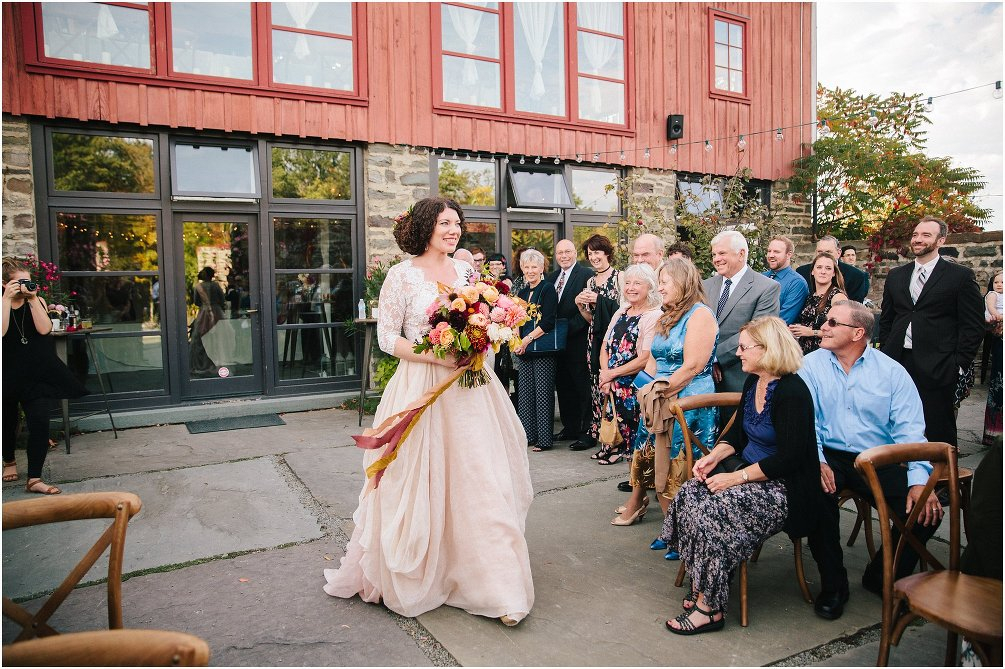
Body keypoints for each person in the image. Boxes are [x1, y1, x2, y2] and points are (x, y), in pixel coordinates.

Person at [323, 197, 534, 626]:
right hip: (422, 385)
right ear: (425, 227)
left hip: (471, 390)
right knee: (420, 477)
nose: (453, 230)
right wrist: (437, 356)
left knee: (480, 477)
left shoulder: (468, 274)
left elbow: (486, 323)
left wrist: (484, 341)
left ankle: (497, 587)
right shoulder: (400, 276)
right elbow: (387, 338)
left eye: (457, 223)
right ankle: (423, 573)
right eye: (444, 223)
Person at [661, 317, 825, 635]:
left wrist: (734, 479)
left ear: (767, 349)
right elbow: (737, 434)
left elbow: (789, 459)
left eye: (744, 347)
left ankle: (709, 609)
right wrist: (714, 458)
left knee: (714, 511)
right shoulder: (753, 382)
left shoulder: (792, 392)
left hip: (783, 487)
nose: (737, 353)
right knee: (691, 493)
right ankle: (703, 581)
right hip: (747, 472)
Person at [799, 300, 943, 620]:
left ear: (858, 333)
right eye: (826, 320)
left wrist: (920, 481)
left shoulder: (891, 372)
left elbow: (911, 432)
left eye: (833, 323)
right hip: (829, 455)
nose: (823, 327)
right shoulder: (809, 365)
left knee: (926, 512)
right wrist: (818, 461)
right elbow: (808, 424)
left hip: (878, 459)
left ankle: (881, 576)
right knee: (816, 497)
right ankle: (834, 585)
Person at [627, 258, 719, 551]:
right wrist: (645, 391)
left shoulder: (700, 315)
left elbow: (692, 366)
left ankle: (688, 534)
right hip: (658, 399)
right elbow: (654, 361)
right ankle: (672, 529)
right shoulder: (666, 315)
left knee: (681, 467)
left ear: (682, 282)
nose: (660, 288)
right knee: (657, 464)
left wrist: (660, 392)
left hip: (688, 400)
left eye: (664, 282)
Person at [878, 216, 985, 448]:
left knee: (938, 429)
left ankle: (942, 470)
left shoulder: (960, 276)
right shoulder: (896, 275)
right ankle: (898, 468)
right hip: (898, 361)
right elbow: (887, 319)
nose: (918, 239)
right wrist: (886, 352)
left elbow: (973, 325)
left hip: (939, 364)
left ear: (941, 240)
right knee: (893, 422)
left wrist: (958, 364)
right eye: (915, 234)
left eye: (926, 235)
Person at [2, 257, 89, 494]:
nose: (25, 286)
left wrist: (33, 300)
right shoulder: (2, 302)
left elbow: (44, 329)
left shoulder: (36, 300)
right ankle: (9, 461)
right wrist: (6, 300)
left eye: (28, 282)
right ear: (5, 284)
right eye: (20, 283)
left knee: (40, 423)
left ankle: (34, 478)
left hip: (35, 373)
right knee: (7, 423)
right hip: (6, 374)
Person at [592, 264, 661, 468]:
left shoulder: (654, 315)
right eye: (628, 283)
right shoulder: (622, 311)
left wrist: (611, 374)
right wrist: (606, 375)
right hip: (612, 383)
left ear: (650, 287)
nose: (631, 287)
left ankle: (634, 478)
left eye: (637, 283)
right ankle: (618, 456)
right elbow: (604, 346)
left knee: (635, 433)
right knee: (617, 427)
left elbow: (645, 357)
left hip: (634, 385)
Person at [702, 230, 780, 393]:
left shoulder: (766, 288)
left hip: (740, 376)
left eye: (722, 253)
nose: (716, 259)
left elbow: (756, 332)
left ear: (741, 254)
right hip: (702, 377)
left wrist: (715, 357)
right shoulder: (705, 285)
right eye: (714, 254)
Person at [575, 233, 621, 453]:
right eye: (590, 253)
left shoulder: (619, 277)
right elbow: (592, 319)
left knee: (612, 388)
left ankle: (617, 440)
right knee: (595, 388)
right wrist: (580, 306)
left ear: (607, 253)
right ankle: (601, 437)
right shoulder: (590, 282)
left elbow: (624, 310)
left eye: (597, 252)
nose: (593, 257)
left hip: (615, 340)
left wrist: (599, 300)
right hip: (595, 339)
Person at [547, 239, 594, 448]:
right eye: (560, 253)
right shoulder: (552, 278)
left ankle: (586, 432)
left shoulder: (586, 276)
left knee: (581, 388)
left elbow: (588, 310)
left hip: (578, 339)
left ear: (575, 253)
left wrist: (566, 330)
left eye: (567, 251)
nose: (564, 256)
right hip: (557, 344)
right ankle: (570, 427)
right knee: (564, 387)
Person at [513, 249, 559, 453]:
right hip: (524, 350)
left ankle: (544, 440)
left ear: (541, 268)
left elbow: (548, 321)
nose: (530, 270)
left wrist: (526, 340)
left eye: (534, 267)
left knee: (542, 394)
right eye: (527, 267)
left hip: (542, 350)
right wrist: (516, 341)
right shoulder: (521, 293)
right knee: (525, 395)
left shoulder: (548, 289)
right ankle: (528, 436)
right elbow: (515, 319)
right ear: (522, 268)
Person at [788, 252, 847, 354]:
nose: (823, 272)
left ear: (834, 273)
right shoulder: (810, 296)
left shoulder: (837, 297)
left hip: (825, 354)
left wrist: (812, 332)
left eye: (828, 268)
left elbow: (843, 330)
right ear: (812, 271)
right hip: (804, 355)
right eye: (819, 267)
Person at [796, 235, 869, 303]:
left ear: (839, 253)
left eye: (828, 252)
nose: (823, 256)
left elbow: (854, 308)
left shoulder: (855, 276)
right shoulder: (802, 272)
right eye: (820, 252)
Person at [763, 235, 809, 325]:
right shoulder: (762, 277)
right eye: (769, 251)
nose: (771, 255)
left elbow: (784, 320)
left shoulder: (797, 283)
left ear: (789, 254)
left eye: (776, 252)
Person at [189, 267, 225, 377]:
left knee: (200, 339)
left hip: (204, 312)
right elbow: (222, 299)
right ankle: (216, 364)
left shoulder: (198, 287)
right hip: (217, 312)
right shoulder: (216, 285)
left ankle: (201, 365)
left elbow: (196, 302)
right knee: (217, 338)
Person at [983, 270, 1003, 445]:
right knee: (999, 383)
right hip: (1000, 340)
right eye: (996, 282)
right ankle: (995, 433)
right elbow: (991, 311)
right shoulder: (992, 296)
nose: (999, 285)